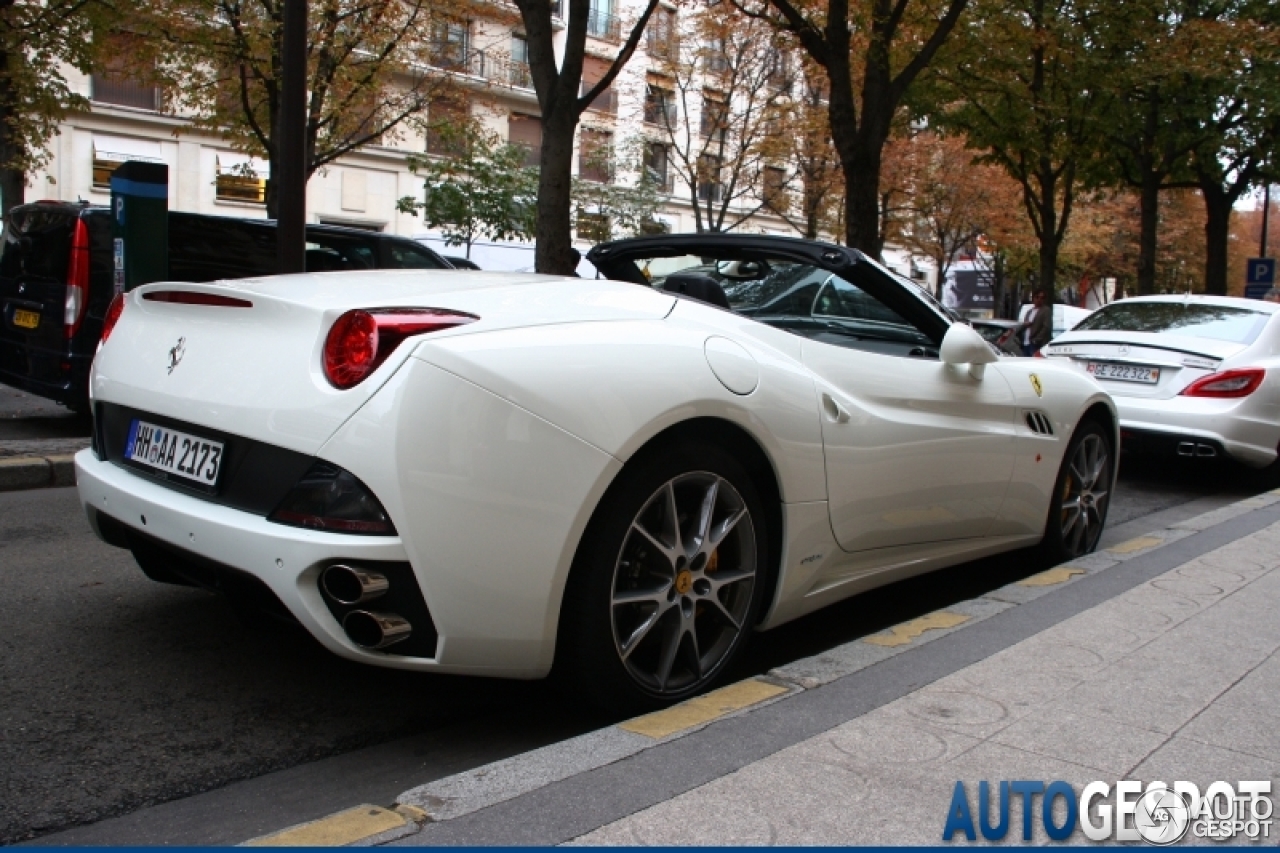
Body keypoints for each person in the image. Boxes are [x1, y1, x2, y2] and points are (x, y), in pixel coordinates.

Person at [1017, 288, 1053, 356]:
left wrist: (1036, 340)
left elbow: (1046, 327)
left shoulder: (1046, 310)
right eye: (1037, 297)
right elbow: (1023, 325)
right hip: (1026, 343)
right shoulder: (1029, 311)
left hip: (1035, 344)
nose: (1039, 299)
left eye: (1042, 298)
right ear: (1033, 298)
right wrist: (1025, 324)